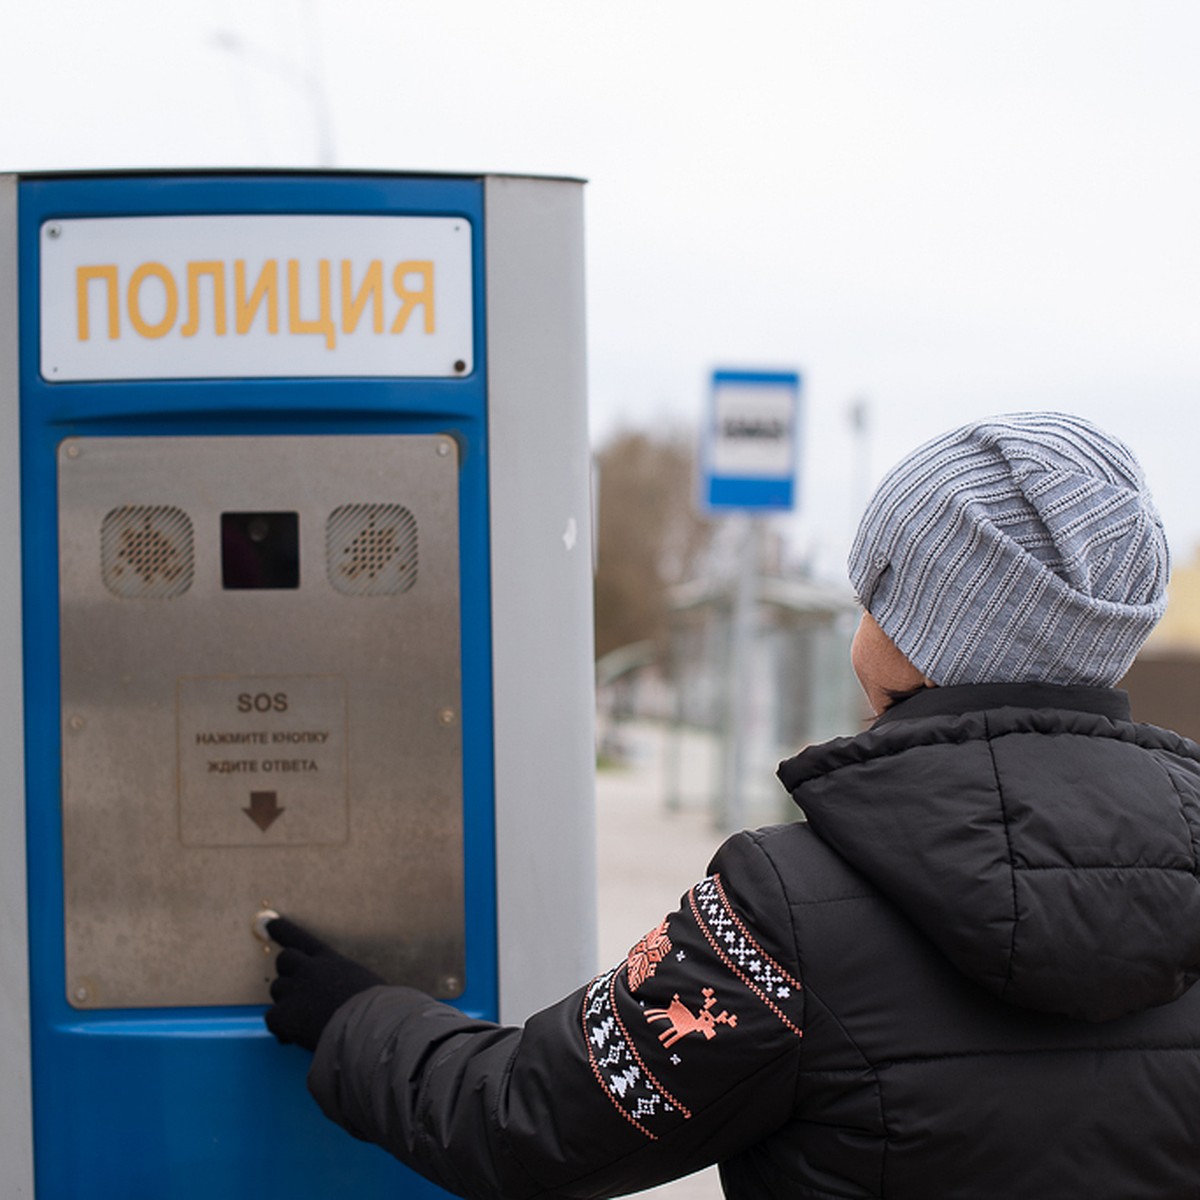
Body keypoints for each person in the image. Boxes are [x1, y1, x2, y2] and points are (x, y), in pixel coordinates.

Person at [266, 411, 1200, 1198]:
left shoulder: (786, 908)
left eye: (873, 596)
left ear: (920, 638)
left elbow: (524, 1120)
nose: (858, 624)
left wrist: (354, 1016)